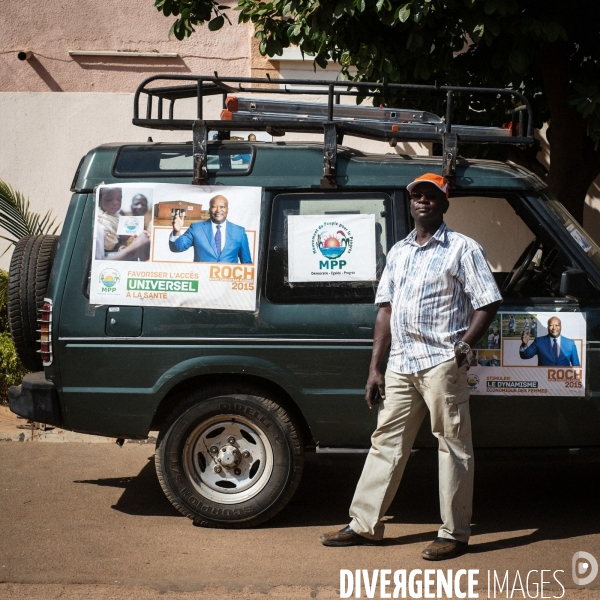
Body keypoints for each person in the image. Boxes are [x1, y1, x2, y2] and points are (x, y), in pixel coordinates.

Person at [320, 173, 502, 560]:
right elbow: (385, 312)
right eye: (417, 195)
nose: (423, 200)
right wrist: (375, 368)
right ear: (410, 202)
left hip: (441, 362)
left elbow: (487, 303)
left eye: (431, 195)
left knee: (453, 446)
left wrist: (464, 347)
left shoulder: (463, 249)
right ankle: (364, 524)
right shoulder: (399, 252)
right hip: (401, 364)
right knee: (386, 442)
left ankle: (454, 533)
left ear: (444, 202)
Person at [169, 195, 252, 263]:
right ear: (209, 210)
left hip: (228, 282)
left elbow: (247, 263)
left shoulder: (239, 231)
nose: (218, 210)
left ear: (227, 210)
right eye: (214, 207)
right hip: (203, 280)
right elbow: (177, 248)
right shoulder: (196, 228)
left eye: (222, 207)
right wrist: (176, 231)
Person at [95, 187, 150, 261]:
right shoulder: (98, 222)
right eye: (109, 199)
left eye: (119, 199)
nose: (115, 203)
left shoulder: (119, 219)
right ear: (99, 201)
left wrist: (121, 247)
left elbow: (119, 241)